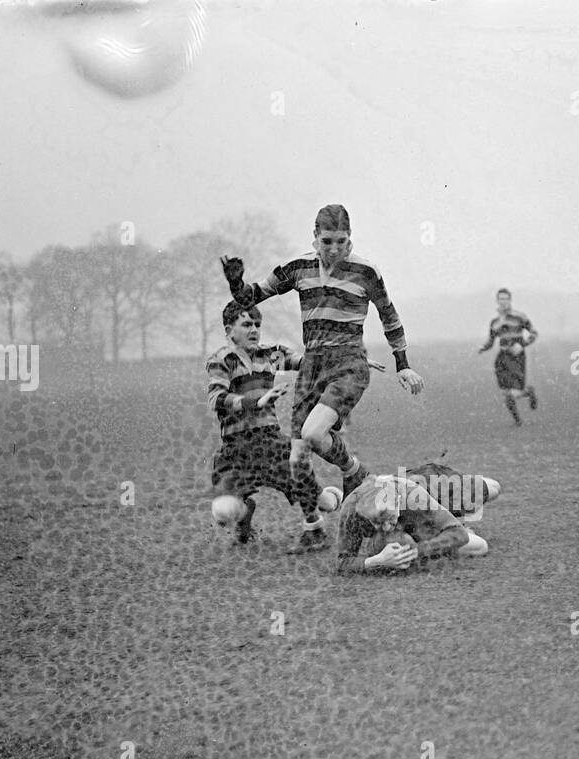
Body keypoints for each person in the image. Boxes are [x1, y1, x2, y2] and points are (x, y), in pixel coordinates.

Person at [220, 203, 425, 503]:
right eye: (327, 241)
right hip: (312, 366)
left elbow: (389, 316)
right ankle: (313, 529)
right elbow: (252, 296)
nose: (333, 249)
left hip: (349, 364)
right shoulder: (297, 268)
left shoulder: (366, 272)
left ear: (349, 237)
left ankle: (354, 472)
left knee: (314, 434)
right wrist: (236, 283)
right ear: (315, 237)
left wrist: (403, 364)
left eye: (341, 241)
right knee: (297, 458)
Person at [205, 301, 342, 552]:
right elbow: (217, 399)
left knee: (321, 500)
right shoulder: (222, 361)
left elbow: (308, 363)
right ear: (229, 330)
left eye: (257, 324)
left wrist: (348, 361)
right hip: (235, 449)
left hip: (269, 440)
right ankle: (244, 517)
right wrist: (256, 401)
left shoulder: (271, 355)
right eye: (246, 324)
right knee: (223, 511)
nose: (254, 329)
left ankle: (321, 519)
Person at [335, 465, 499, 573]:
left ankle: (461, 505)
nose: (385, 527)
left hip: (433, 488)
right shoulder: (351, 509)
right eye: (378, 522)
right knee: (475, 546)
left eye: (390, 518)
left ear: (397, 500)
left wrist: (414, 553)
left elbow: (459, 535)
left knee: (493, 489)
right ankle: (446, 522)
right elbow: (342, 563)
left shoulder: (412, 495)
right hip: (417, 518)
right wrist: (375, 561)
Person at [479, 288, 538, 425]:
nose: (503, 302)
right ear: (497, 301)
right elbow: (491, 341)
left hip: (517, 357)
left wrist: (522, 344)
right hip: (502, 358)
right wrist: (484, 348)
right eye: (501, 299)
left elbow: (534, 333)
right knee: (506, 393)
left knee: (514, 392)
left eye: (506, 299)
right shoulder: (494, 322)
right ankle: (518, 421)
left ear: (510, 300)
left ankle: (528, 392)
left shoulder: (520, 317)